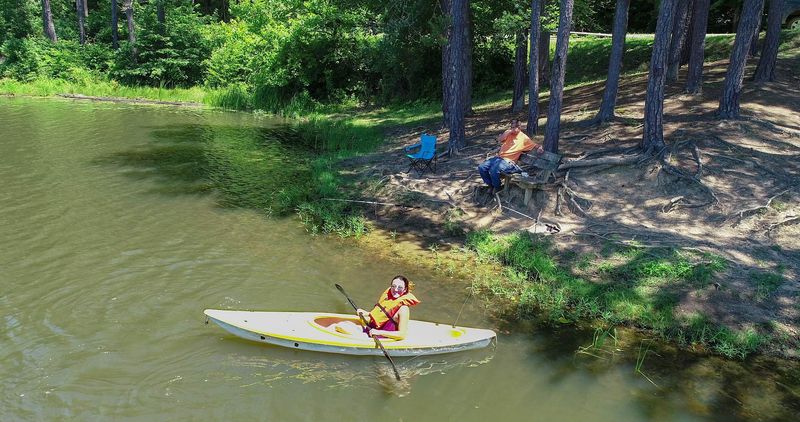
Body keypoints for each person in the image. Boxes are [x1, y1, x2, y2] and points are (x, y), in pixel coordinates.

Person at [334, 275, 421, 340]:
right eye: (393, 286)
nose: (395, 289)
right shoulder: (388, 298)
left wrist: (379, 332)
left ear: (405, 289)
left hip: (380, 337)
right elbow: (382, 314)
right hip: (371, 330)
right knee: (342, 324)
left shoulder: (403, 309)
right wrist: (366, 313)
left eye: (400, 287)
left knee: (341, 327)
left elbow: (402, 335)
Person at [477, 119, 543, 195]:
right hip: (499, 158)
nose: (513, 129)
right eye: (512, 127)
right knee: (481, 167)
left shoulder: (524, 138)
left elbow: (535, 145)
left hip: (509, 162)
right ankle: (491, 185)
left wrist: (539, 147)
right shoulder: (508, 134)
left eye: (515, 127)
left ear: (519, 127)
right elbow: (500, 139)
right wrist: (507, 132)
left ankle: (497, 188)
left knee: (494, 169)